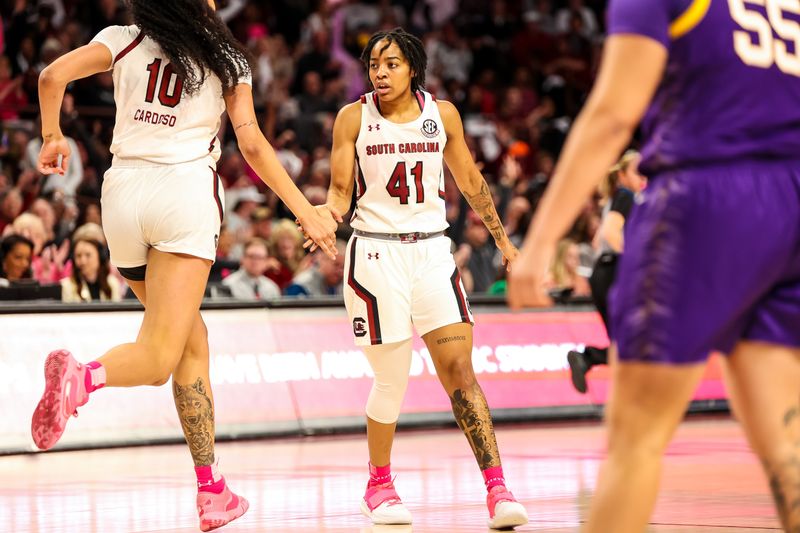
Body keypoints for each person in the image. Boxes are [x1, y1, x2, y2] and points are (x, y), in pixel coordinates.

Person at [29, 1, 338, 531]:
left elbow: (52, 75)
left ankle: (211, 488)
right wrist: (306, 212)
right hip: (182, 195)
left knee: (191, 342)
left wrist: (53, 135)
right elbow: (255, 147)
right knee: (157, 357)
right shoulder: (226, 58)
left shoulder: (123, 37)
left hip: (122, 197)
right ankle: (83, 377)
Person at [508, 0, 800, 531]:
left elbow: (614, 114)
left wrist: (541, 241)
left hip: (710, 197)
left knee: (635, 440)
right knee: (789, 450)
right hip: (793, 204)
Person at [322, 27, 528, 529]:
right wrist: (320, 217)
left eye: (391, 64)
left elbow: (472, 183)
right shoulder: (353, 117)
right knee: (391, 379)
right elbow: (337, 194)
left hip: (433, 252)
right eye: (374, 65)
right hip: (375, 256)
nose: (380, 73)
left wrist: (502, 240)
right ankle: (379, 484)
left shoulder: (443, 115)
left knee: (460, 371)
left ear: (413, 68)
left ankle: (497, 489)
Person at [567, 150, 645, 393]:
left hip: (605, 272)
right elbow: (610, 233)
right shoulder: (626, 195)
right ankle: (589, 359)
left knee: (628, 347)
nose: (644, 176)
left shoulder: (620, 199)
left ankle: (588, 359)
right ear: (621, 175)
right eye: (637, 171)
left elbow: (597, 240)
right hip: (614, 272)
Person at [60, 236, 122, 302]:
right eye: (78, 256)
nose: (83, 261)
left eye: (88, 255)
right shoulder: (67, 285)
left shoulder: (112, 283)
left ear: (99, 257)